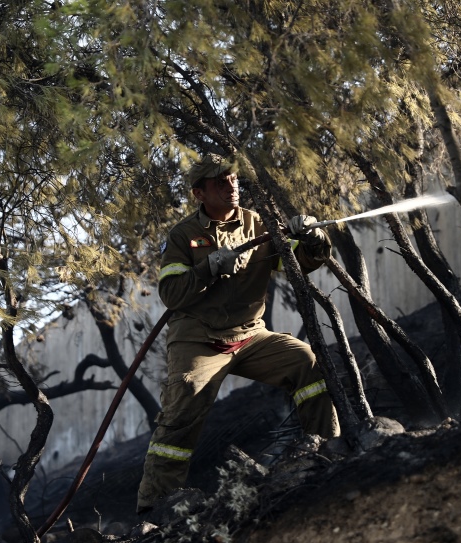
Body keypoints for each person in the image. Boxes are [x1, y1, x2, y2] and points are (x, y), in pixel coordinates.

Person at [136, 154, 341, 514]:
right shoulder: (183, 235)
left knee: (306, 363)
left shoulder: (259, 225)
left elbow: (300, 263)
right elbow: (170, 294)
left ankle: (329, 453)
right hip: (199, 339)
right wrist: (206, 270)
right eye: (220, 182)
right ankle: (155, 508)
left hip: (250, 335)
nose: (232, 187)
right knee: (185, 396)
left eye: (233, 180)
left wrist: (313, 239)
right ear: (199, 193)